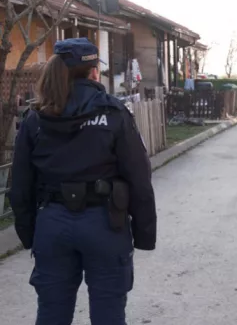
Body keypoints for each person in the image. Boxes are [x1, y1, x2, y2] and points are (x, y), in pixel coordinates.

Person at [10, 38, 157, 325]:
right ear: (92, 71)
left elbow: (20, 186)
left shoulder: (35, 118)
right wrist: (144, 233)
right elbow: (139, 177)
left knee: (51, 314)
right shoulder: (113, 113)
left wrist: (30, 233)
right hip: (105, 224)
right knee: (109, 316)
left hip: (52, 225)